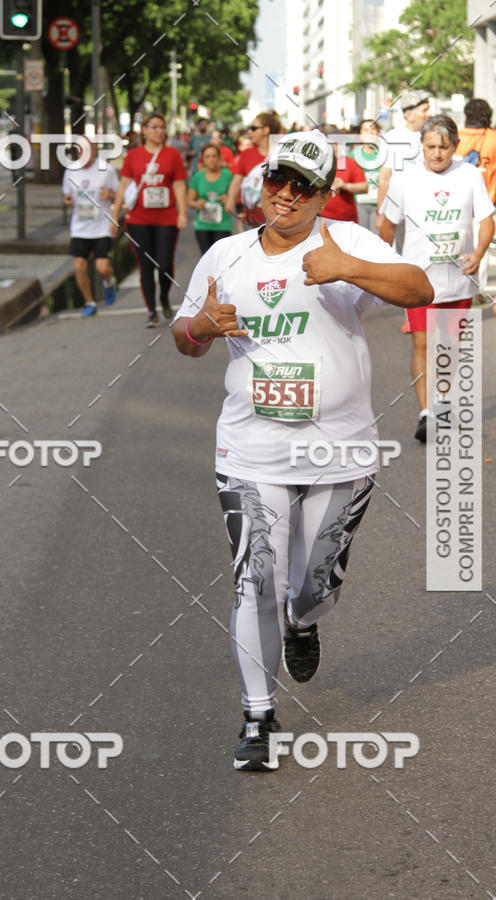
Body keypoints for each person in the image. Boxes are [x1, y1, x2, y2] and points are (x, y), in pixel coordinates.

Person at [171, 131, 433, 771]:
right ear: (262, 181)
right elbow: (185, 336)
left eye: (304, 186)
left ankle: (302, 621)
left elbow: (419, 288)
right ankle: (257, 714)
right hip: (250, 449)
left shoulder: (347, 242)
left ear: (323, 195)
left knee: (314, 585)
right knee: (255, 578)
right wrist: (201, 327)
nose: (286, 194)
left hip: (339, 452)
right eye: (277, 179)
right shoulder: (226, 255)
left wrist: (348, 269)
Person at [380, 115, 495, 442]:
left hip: (459, 279)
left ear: (455, 146)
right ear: (422, 145)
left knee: (451, 344)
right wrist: (388, 267)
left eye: (443, 147)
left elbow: (486, 220)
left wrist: (479, 252)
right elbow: (387, 226)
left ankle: (443, 400)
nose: (437, 153)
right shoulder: (405, 179)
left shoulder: (469, 175)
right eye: (430, 146)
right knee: (422, 341)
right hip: (418, 282)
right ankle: (425, 414)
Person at [111, 111, 188, 327]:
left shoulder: (172, 154)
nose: (159, 131)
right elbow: (124, 186)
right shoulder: (133, 155)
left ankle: (164, 297)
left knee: (164, 263)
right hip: (138, 219)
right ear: (144, 130)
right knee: (145, 265)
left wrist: (182, 212)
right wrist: (114, 214)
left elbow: (179, 185)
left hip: (166, 218)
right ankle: (152, 310)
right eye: (154, 127)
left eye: (162, 127)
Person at [62, 140, 119, 316]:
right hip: (80, 227)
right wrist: (68, 200)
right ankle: (90, 302)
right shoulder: (70, 170)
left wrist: (109, 195)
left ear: (94, 150)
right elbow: (67, 195)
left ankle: (108, 282)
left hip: (102, 226)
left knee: (102, 267)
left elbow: (119, 194)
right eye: (80, 151)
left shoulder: (106, 169)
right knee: (79, 266)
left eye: (88, 150)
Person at [375, 90, 431, 238]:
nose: (429, 114)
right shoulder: (391, 138)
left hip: (427, 209)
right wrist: (381, 212)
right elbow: (384, 179)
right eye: (424, 110)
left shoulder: (432, 136)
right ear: (409, 114)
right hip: (398, 213)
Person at [455, 98, 496, 297]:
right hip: (488, 202)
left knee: (458, 245)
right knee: (482, 246)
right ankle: (477, 290)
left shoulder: (455, 137)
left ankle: (459, 286)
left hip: (457, 202)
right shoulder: (494, 138)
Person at [225, 110, 283, 226]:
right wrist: (230, 199)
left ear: (266, 130)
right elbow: (237, 180)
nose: (249, 132)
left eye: (253, 128)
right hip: (251, 218)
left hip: (275, 218)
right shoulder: (246, 154)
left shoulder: (281, 153)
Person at [187, 144, 233, 254]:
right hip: (202, 225)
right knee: (206, 257)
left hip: (223, 224)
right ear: (203, 159)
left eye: (214, 156)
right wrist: (197, 203)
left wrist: (228, 200)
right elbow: (190, 201)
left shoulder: (228, 175)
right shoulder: (198, 176)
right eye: (207, 156)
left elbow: (235, 200)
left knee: (220, 258)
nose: (211, 159)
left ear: (219, 158)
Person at [318, 125, 367, 224]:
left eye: (341, 144)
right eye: (335, 144)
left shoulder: (350, 162)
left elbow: (364, 187)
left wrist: (344, 185)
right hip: (320, 219)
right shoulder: (317, 162)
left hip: (346, 220)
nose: (339, 148)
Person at [351, 119, 382, 233]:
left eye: (373, 129)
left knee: (375, 239)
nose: (370, 133)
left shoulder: (385, 154)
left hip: (379, 205)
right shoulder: (352, 155)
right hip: (359, 203)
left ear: (378, 132)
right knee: (360, 237)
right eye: (365, 130)